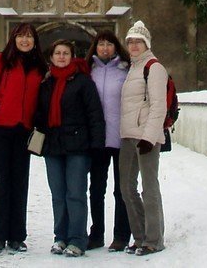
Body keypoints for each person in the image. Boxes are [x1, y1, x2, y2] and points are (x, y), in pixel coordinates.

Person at [0, 22, 47, 255]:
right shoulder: (1, 61)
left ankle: (17, 236)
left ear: (35, 41)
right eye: (21, 36)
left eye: (29, 37)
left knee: (19, 183)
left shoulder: (38, 66)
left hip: (22, 130)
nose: (25, 41)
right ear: (14, 38)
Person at [34, 39, 105, 258]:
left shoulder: (83, 82)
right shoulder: (46, 84)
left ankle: (77, 239)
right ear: (52, 57)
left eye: (66, 53)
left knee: (75, 193)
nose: (62, 56)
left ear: (72, 56)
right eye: (58, 53)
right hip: (53, 147)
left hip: (78, 146)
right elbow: (39, 115)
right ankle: (60, 237)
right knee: (58, 194)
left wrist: (96, 144)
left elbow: (95, 114)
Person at [119, 21, 167, 256]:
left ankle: (154, 239)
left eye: (138, 41)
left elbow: (159, 106)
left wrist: (149, 137)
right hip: (128, 136)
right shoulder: (132, 68)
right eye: (130, 42)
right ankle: (139, 237)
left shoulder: (153, 67)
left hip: (146, 137)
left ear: (146, 43)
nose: (134, 45)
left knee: (149, 188)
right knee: (126, 188)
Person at [86, 31, 132, 252]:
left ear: (116, 47)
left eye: (109, 44)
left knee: (122, 189)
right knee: (96, 189)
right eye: (101, 44)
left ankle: (122, 235)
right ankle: (96, 234)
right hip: (97, 139)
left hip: (121, 137)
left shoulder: (126, 70)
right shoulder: (88, 71)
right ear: (95, 47)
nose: (104, 48)